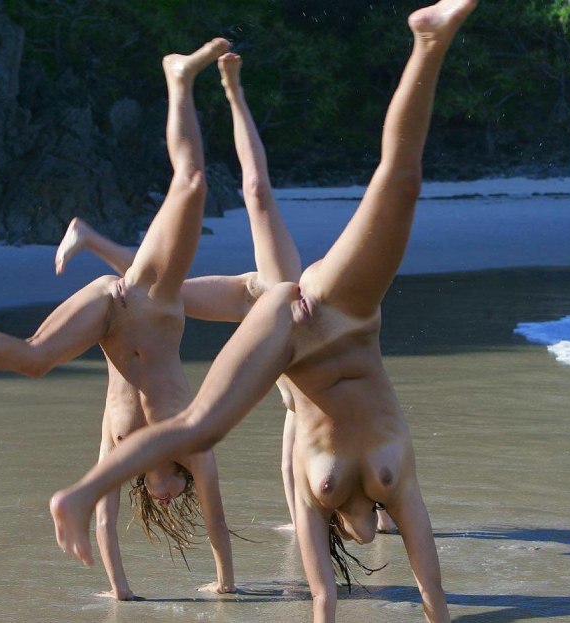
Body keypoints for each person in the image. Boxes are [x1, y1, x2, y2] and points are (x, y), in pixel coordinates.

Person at [48, 2, 477, 621]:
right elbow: (427, 581)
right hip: (346, 315)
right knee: (401, 180)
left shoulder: (312, 499)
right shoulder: (398, 489)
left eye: (354, 540)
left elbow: (323, 599)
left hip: (283, 328)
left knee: (199, 416)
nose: (362, 535)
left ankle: (79, 492)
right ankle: (429, 42)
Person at [0, 41, 296, 599]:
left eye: (159, 501)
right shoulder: (193, 442)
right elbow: (219, 522)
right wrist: (229, 584)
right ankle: (179, 78)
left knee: (37, 360)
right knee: (191, 183)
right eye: (176, 497)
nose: (167, 499)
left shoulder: (122, 454)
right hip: (147, 294)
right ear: (183, 480)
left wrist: (121, 591)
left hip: (110, 312)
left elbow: (103, 517)